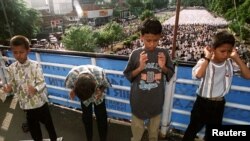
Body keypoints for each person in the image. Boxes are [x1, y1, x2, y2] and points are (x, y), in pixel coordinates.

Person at [182, 30, 250, 141]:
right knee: (192, 131)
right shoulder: (204, 62)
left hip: (219, 104)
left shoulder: (229, 63)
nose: (225, 54)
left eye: (228, 51)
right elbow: (198, 75)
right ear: (213, 49)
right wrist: (207, 58)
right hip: (202, 103)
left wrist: (236, 58)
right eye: (222, 51)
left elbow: (248, 76)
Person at [123, 18, 175, 141]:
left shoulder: (164, 53)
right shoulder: (136, 54)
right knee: (137, 135)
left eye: (155, 40)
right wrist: (140, 68)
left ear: (160, 37)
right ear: (141, 37)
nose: (152, 44)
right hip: (138, 101)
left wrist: (163, 67)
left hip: (156, 102)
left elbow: (170, 73)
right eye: (148, 40)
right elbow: (128, 75)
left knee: (153, 135)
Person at [3, 35, 60, 141]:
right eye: (15, 52)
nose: (18, 55)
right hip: (26, 106)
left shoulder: (35, 65)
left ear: (28, 50)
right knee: (34, 131)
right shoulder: (11, 68)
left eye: (21, 52)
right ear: (12, 51)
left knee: (49, 126)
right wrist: (9, 88)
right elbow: (14, 85)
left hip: (40, 104)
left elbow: (42, 83)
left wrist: (35, 89)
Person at [65, 65, 111, 141]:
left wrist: (101, 91)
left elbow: (105, 85)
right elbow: (71, 86)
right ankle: (89, 138)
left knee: (102, 117)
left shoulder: (100, 74)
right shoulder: (72, 75)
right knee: (86, 118)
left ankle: (103, 139)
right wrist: (73, 91)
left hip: (97, 94)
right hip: (82, 93)